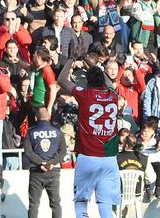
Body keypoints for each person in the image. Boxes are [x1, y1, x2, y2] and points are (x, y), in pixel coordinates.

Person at [71, 65, 123, 218]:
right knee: (106, 204)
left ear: (88, 82)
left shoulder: (85, 95)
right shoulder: (113, 95)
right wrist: (93, 65)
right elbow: (109, 83)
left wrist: (73, 59)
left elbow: (61, 80)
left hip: (88, 157)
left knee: (81, 201)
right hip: (110, 159)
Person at [26, 105, 66, 218]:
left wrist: (40, 162)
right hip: (53, 171)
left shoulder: (30, 132)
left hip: (36, 171)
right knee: (55, 204)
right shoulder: (58, 132)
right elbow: (62, 152)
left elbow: (28, 152)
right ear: (49, 117)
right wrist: (51, 163)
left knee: (33, 205)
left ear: (35, 118)